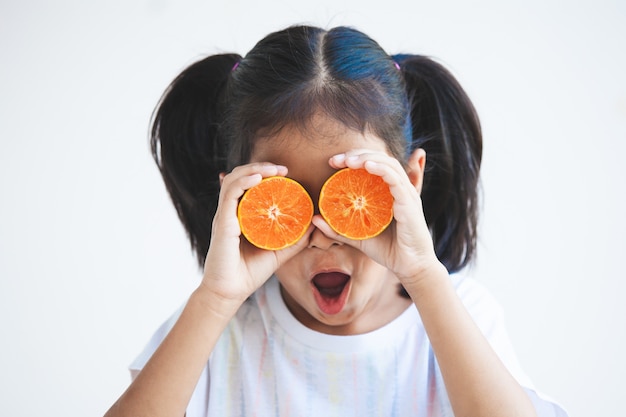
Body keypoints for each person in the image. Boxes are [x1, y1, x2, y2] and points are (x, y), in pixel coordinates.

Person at [105, 25, 568, 417]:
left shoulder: (461, 313)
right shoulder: (214, 328)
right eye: (289, 200)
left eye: (350, 192)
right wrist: (215, 299)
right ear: (241, 200)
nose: (323, 235)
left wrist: (425, 277)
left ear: (408, 181)